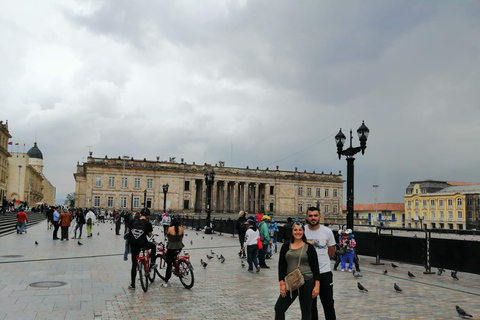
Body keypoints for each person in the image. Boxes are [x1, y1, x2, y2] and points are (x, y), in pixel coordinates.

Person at [275, 222, 320, 320]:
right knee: (279, 308)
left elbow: (315, 268)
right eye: (295, 230)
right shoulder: (286, 246)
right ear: (292, 231)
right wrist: (282, 283)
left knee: (306, 311)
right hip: (292, 282)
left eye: (300, 230)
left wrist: (317, 286)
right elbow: (281, 266)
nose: (298, 232)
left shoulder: (309, 247)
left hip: (307, 281)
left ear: (303, 231)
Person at [304, 207, 336, 320]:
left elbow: (331, 252)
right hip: (308, 273)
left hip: (324, 272)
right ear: (307, 217)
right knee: (311, 305)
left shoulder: (327, 231)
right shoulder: (302, 231)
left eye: (315, 215)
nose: (313, 218)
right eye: (311, 215)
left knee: (328, 303)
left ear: (319, 216)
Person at [126, 209, 156, 290]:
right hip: (143, 244)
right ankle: (152, 262)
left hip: (134, 245)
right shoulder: (148, 223)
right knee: (153, 246)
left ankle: (132, 284)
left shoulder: (132, 221)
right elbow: (149, 236)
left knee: (134, 265)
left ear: (140, 214)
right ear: (148, 216)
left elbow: (127, 231)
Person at [162, 214, 184, 287]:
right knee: (174, 257)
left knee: (169, 265)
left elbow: (168, 238)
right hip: (179, 247)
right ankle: (177, 267)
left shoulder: (169, 228)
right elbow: (181, 238)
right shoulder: (182, 228)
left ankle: (166, 281)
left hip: (171, 247)